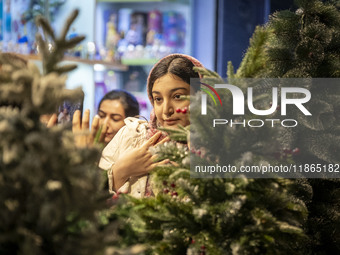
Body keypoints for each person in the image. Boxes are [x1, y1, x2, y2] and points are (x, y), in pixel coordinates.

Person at [99, 54, 203, 198]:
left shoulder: (214, 147)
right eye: (158, 99)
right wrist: (121, 170)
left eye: (177, 96)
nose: (166, 110)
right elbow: (88, 199)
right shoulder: (133, 135)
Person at [72, 89, 140, 147]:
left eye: (115, 119)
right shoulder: (86, 145)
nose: (105, 123)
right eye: (101, 116)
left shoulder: (137, 154)